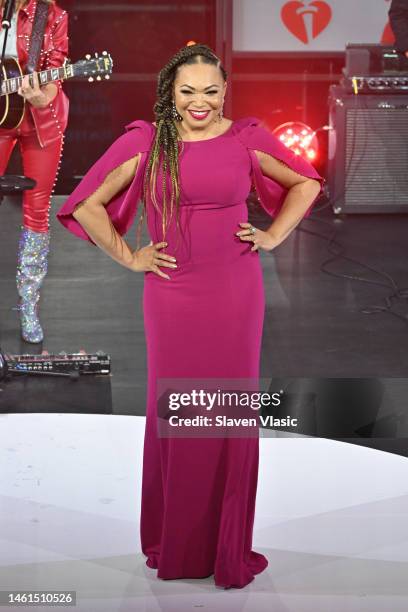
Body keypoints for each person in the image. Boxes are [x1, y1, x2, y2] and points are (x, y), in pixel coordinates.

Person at [56, 43, 323, 589]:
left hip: (234, 291)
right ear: (170, 93)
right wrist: (130, 256)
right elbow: (84, 203)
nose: (199, 102)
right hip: (171, 293)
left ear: (225, 92)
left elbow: (306, 181)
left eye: (210, 91)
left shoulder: (246, 138)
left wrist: (272, 235)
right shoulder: (146, 142)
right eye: (187, 91)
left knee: (227, 411)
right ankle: (177, 543)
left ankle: (225, 546)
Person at [0, 0, 69, 343]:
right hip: (1, 116)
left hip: (40, 118)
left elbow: (57, 66)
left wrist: (45, 94)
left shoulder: (50, 14)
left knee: (37, 211)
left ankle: (29, 305)